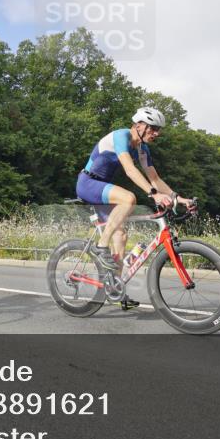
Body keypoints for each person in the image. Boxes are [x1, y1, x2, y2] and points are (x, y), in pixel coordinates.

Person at [76, 107, 189, 309]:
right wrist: (153, 194)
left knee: (121, 236)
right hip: (88, 183)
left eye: (158, 130)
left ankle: (114, 288)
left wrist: (178, 198)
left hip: (102, 188)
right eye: (153, 128)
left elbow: (154, 178)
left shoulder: (142, 149)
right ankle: (101, 246)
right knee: (128, 198)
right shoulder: (121, 136)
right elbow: (129, 169)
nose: (157, 133)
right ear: (139, 125)